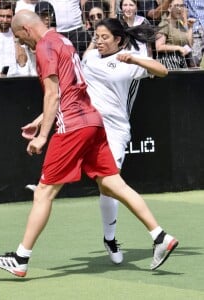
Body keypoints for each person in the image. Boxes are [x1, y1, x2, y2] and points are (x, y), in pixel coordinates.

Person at [0, 9, 178, 278]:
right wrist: (40, 121)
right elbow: (72, 88)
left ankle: (20, 259)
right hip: (94, 122)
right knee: (113, 183)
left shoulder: (44, 47)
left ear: (27, 30)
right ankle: (160, 236)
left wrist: (42, 136)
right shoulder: (64, 41)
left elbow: (53, 94)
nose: (20, 42)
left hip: (73, 127)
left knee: (44, 192)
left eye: (18, 37)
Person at [82, 17, 168, 264]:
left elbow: (162, 71)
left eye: (104, 37)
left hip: (116, 130)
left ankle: (112, 238)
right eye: (96, 37)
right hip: (89, 129)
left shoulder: (128, 62)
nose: (99, 41)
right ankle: (118, 238)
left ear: (118, 39)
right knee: (106, 184)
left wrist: (135, 58)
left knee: (109, 184)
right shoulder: (89, 59)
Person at [155, 0, 196, 69]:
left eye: (182, 6)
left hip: (181, 63)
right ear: (169, 8)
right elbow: (159, 47)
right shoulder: (164, 24)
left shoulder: (180, 25)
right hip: (168, 64)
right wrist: (178, 48)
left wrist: (190, 27)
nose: (179, 9)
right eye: (176, 5)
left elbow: (190, 44)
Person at [184, 0, 204, 66]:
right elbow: (184, 9)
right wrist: (186, 27)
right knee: (194, 62)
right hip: (194, 29)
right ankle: (194, 76)